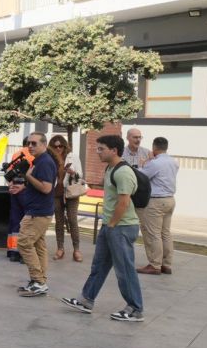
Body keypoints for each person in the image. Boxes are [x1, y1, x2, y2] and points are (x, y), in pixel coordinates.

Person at [61, 134, 145, 322]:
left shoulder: (123, 172)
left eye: (101, 149)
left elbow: (124, 203)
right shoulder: (110, 168)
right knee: (99, 266)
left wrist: (112, 224)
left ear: (114, 150)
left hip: (121, 227)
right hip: (110, 226)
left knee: (124, 270)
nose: (97, 152)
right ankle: (86, 300)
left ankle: (135, 309)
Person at [10, 132, 57, 297]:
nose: (30, 146)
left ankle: (38, 281)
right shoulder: (39, 161)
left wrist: (28, 177)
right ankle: (40, 281)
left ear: (44, 144)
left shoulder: (44, 162)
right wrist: (24, 186)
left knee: (23, 243)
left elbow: (46, 188)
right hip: (39, 210)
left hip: (38, 212)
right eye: (29, 143)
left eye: (34, 143)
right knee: (38, 246)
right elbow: (40, 185)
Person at [138, 136, 178, 275]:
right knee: (165, 233)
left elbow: (142, 177)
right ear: (166, 147)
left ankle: (155, 264)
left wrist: (144, 163)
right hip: (170, 199)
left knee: (153, 233)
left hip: (156, 201)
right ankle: (166, 264)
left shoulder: (155, 163)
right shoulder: (173, 162)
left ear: (154, 147)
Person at [48, 134, 86, 263]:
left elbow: (80, 175)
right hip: (56, 192)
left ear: (65, 146)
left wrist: (73, 173)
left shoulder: (72, 157)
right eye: (55, 146)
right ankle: (60, 249)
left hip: (71, 192)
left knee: (72, 220)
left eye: (61, 146)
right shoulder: (50, 158)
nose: (58, 149)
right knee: (59, 221)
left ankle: (77, 250)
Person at [5, 138, 34, 263]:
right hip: (26, 191)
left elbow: (9, 173)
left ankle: (13, 252)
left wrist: (11, 186)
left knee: (15, 220)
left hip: (14, 191)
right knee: (27, 222)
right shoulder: (34, 156)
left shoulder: (16, 155)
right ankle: (24, 253)